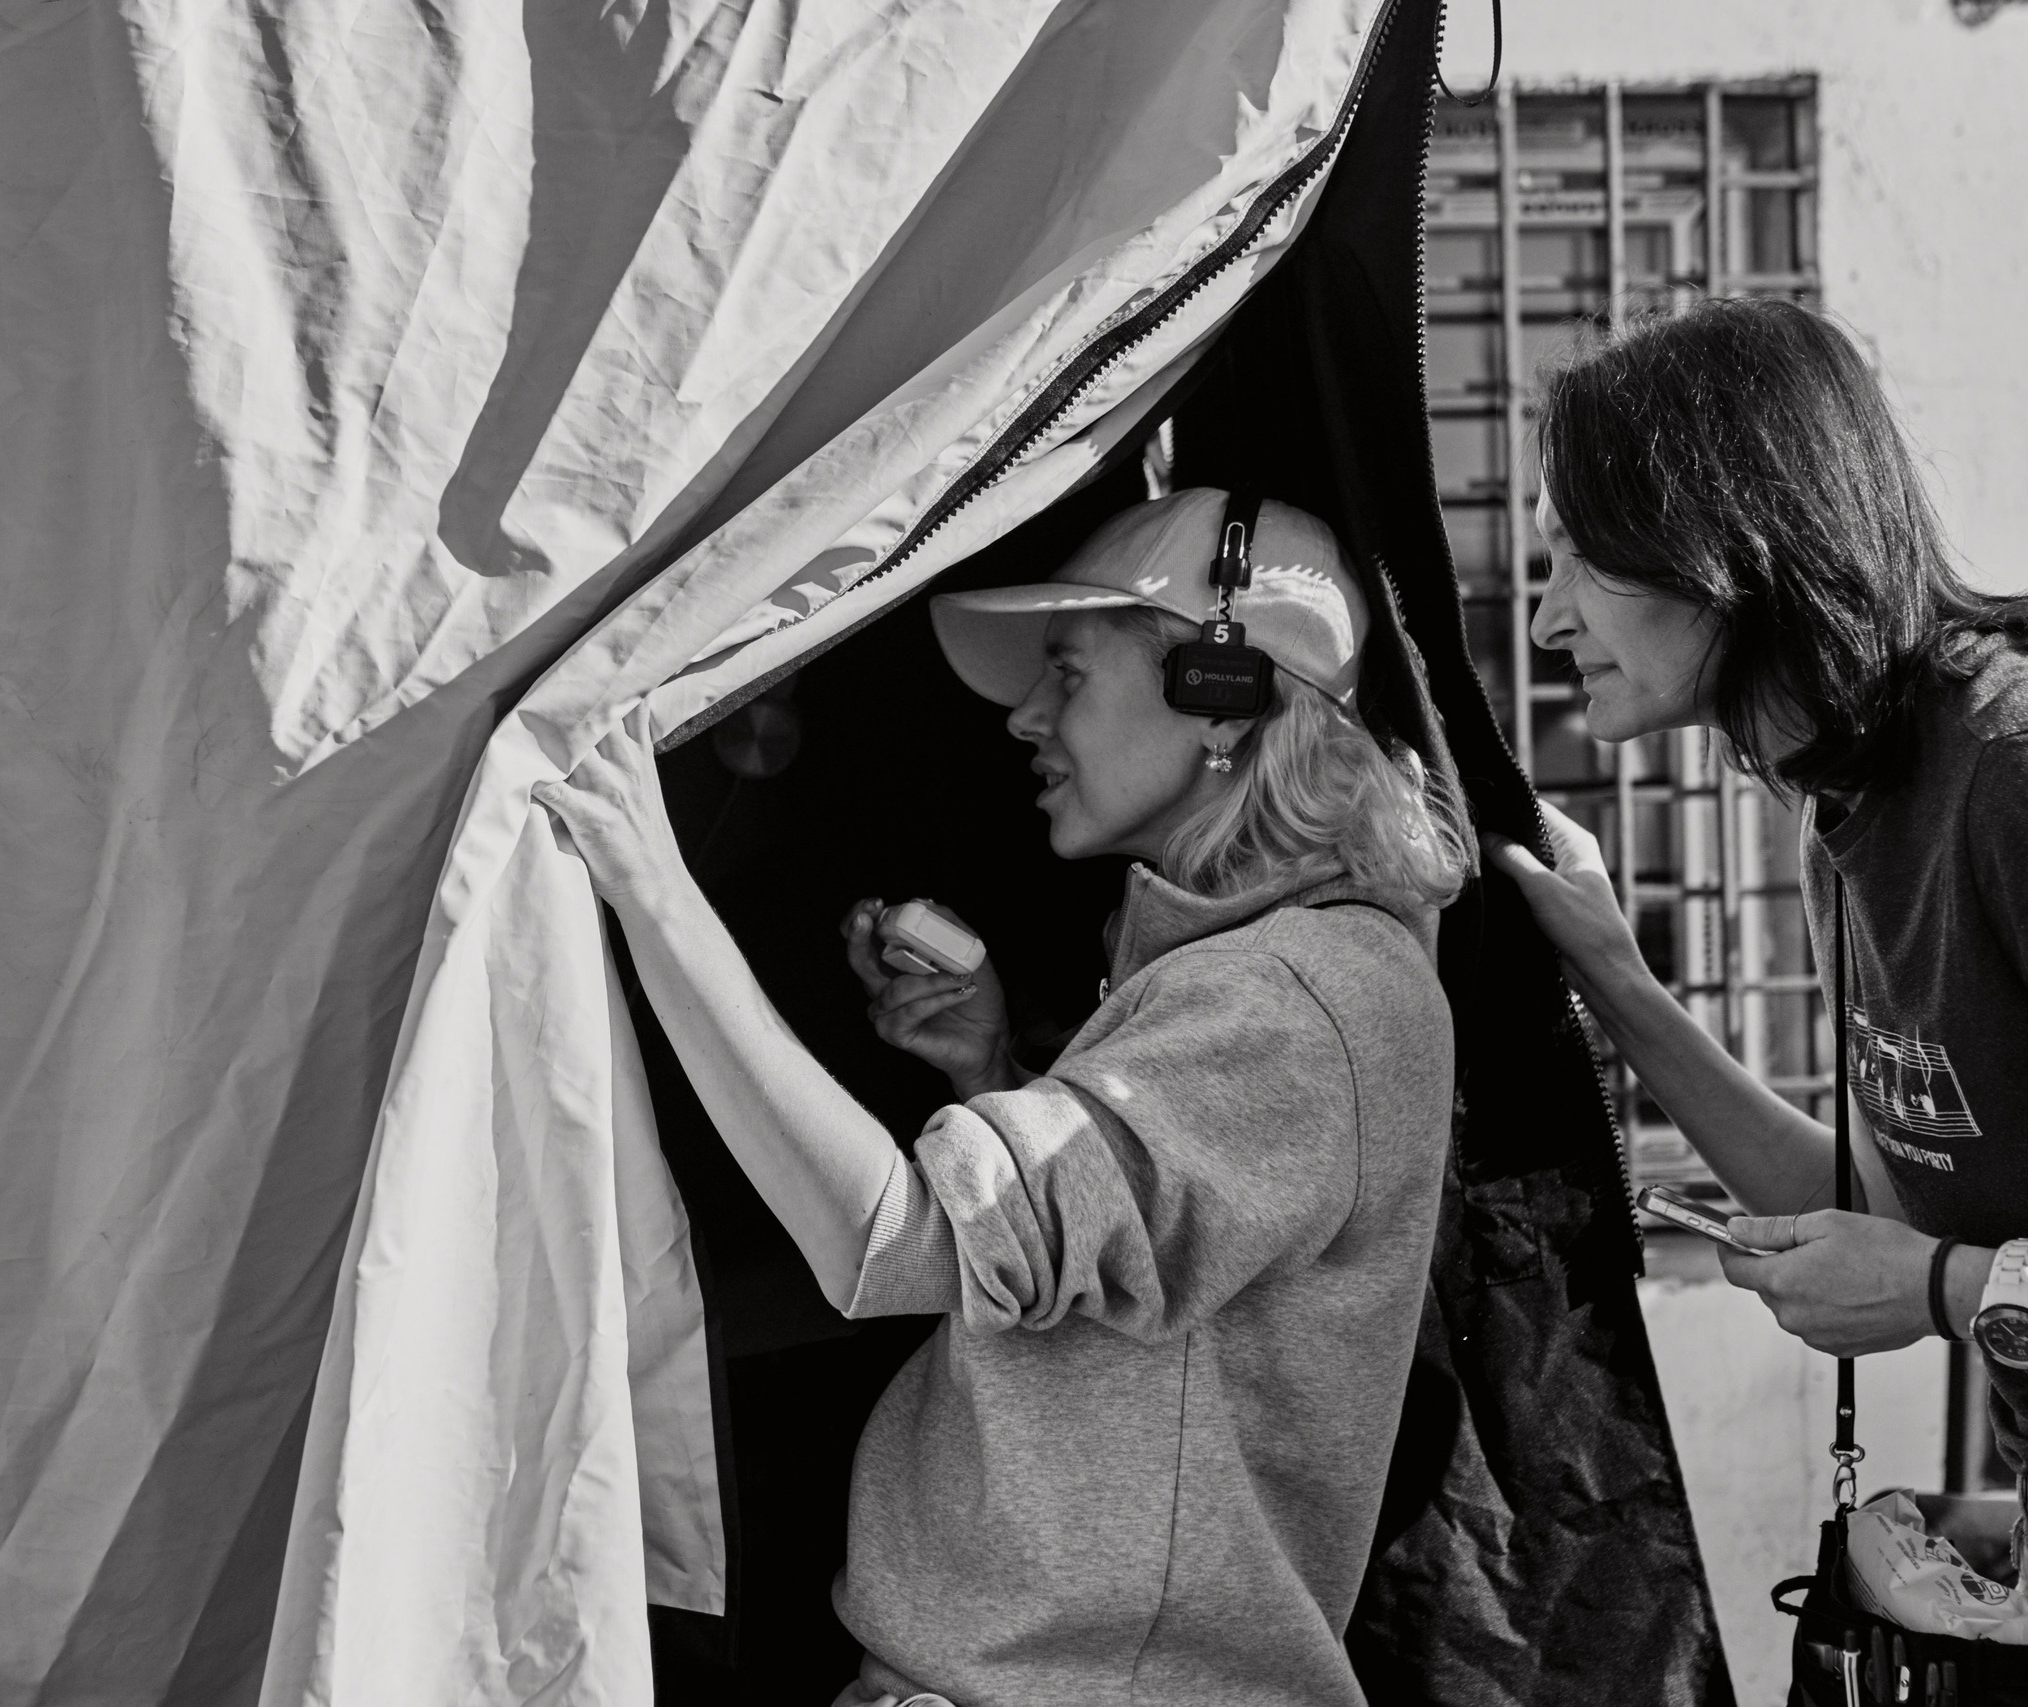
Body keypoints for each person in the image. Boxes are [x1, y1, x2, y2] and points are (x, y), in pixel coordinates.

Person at [536, 488, 1469, 1706]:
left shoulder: (1294, 998)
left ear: (1219, 700)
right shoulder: (1259, 978)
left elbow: (886, 1246)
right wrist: (993, 1076)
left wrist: (650, 885)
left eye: (1069, 675)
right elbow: (1136, 1297)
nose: (1026, 717)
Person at [1480, 299, 2028, 1471]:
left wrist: (1950, 1291)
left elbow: (1930, 1263)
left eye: (1582, 551)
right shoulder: (1835, 811)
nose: (1543, 618)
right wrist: (1613, 978)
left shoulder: (2009, 772)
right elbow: (1890, 1206)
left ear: (1722, 540)